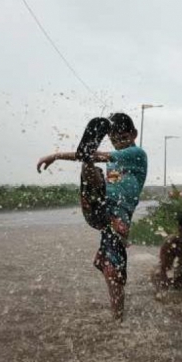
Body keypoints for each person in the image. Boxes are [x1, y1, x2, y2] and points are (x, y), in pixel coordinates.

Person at [37, 113, 147, 320]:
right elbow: (103, 159)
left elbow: (103, 156)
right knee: (92, 172)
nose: (119, 143)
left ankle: (117, 319)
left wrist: (58, 155)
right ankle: (86, 160)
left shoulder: (137, 153)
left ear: (134, 134)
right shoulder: (113, 163)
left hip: (116, 220)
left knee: (113, 270)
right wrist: (63, 156)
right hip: (98, 207)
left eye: (123, 138)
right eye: (114, 139)